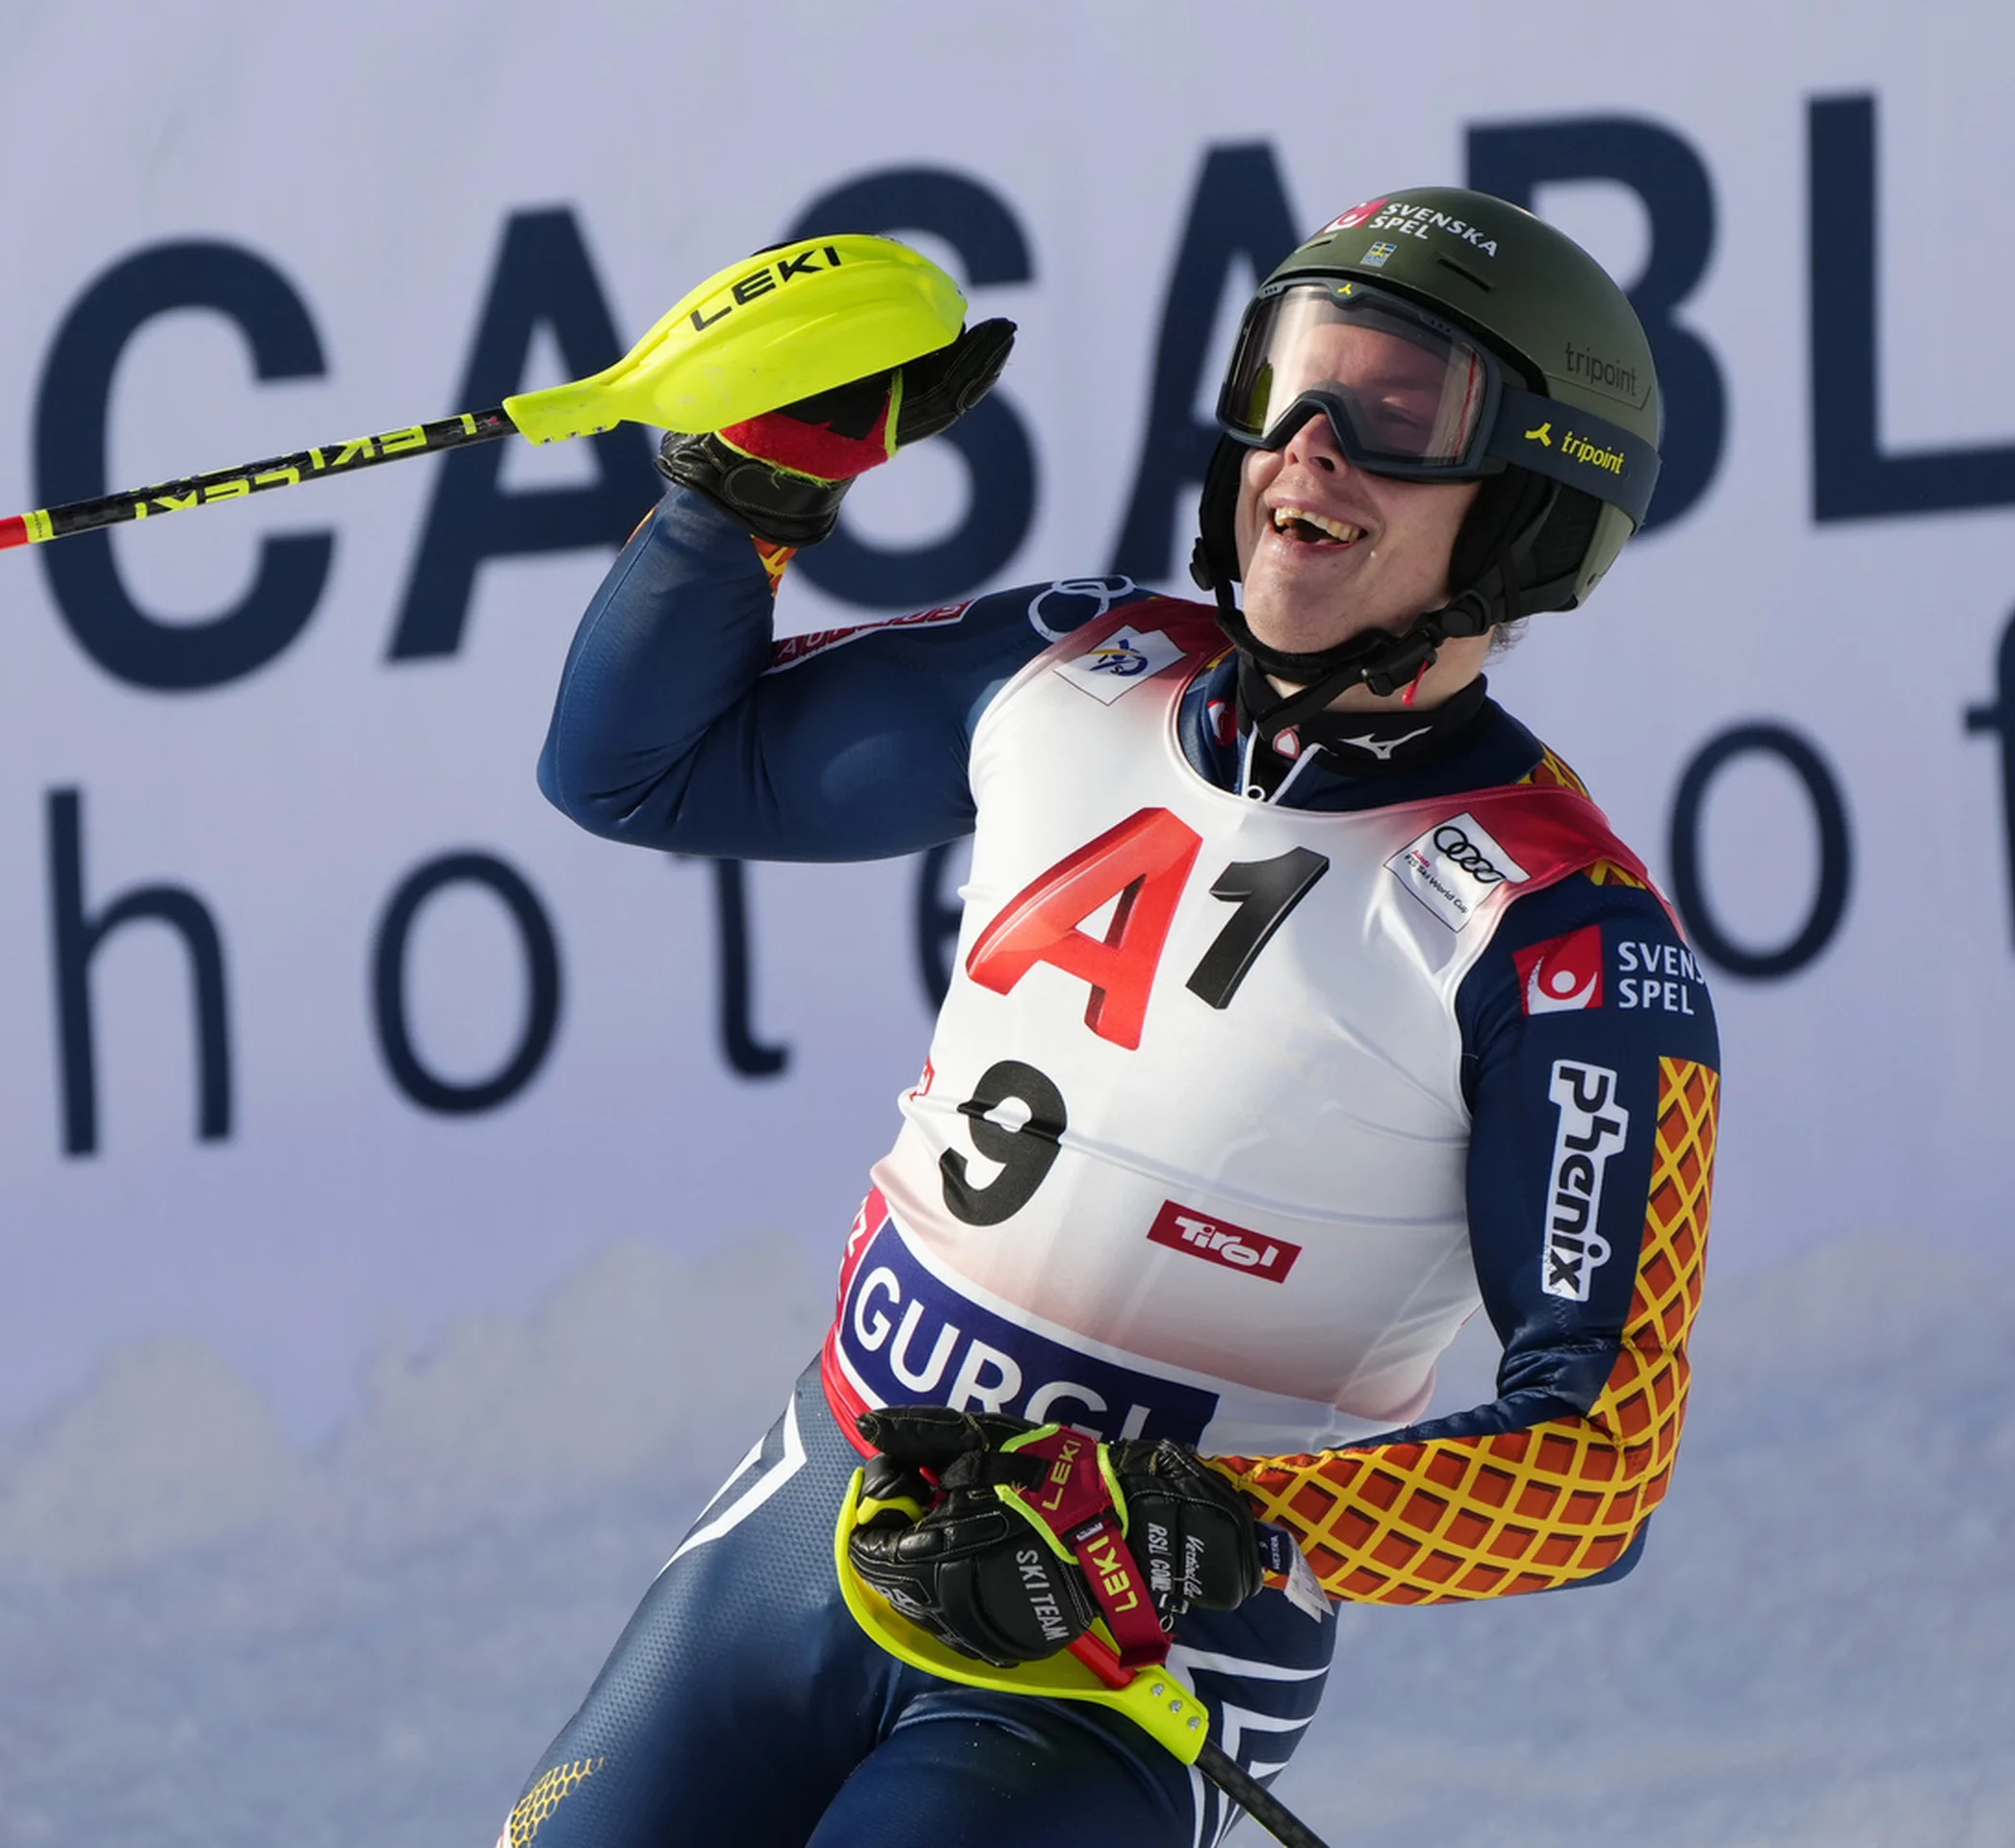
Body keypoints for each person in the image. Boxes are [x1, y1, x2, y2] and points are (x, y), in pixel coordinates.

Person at [504, 186, 1719, 1848]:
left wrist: (1197, 1517)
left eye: (1400, 413)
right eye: (1288, 380)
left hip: (1129, 1656)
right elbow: (631, 769)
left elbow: (1601, 1465)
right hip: (817, 1510)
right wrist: (744, 504)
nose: (1309, 448)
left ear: (1528, 512)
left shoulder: (1565, 937)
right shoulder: (1084, 661)